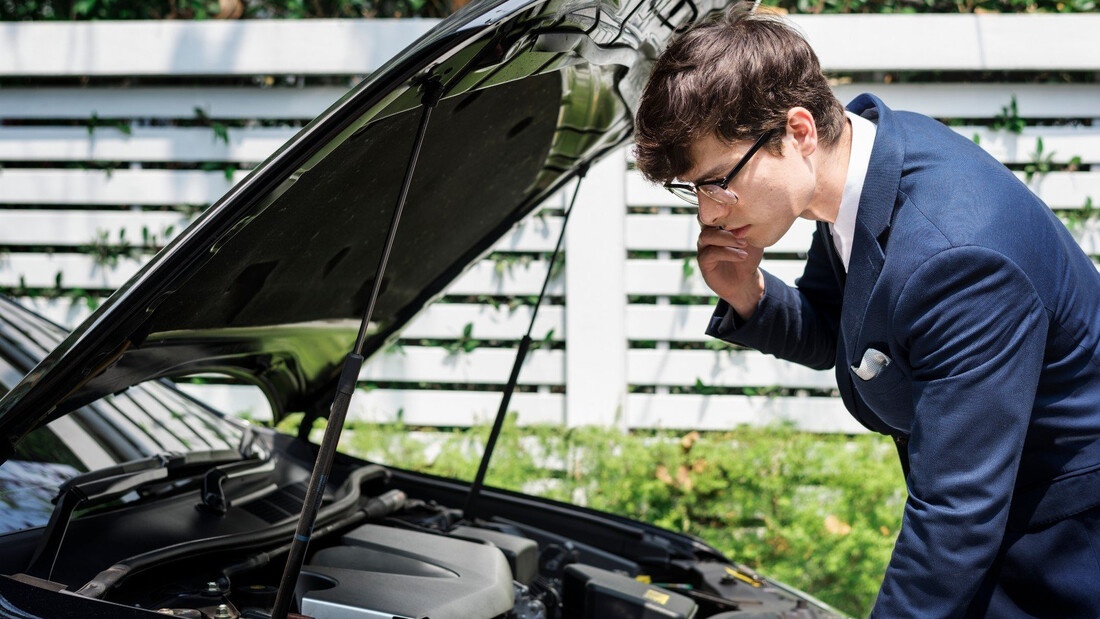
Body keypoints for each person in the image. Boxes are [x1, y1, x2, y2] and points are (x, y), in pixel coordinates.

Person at [633, 4, 1100, 617]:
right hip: (1001, 506)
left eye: (718, 181)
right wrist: (747, 292)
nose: (708, 212)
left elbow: (956, 512)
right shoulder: (865, 167)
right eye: (693, 190)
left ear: (798, 131)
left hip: (1062, 545)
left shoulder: (954, 260)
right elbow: (845, 333)